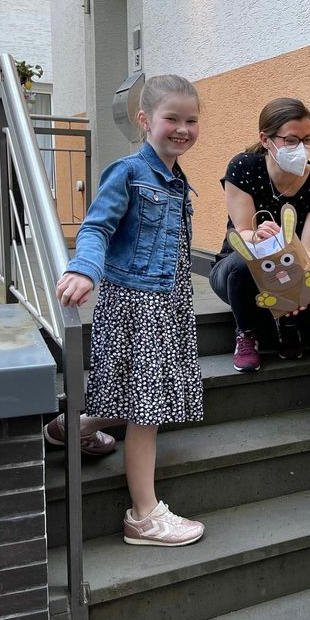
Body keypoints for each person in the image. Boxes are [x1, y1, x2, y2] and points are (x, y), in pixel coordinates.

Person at [49, 74, 206, 547]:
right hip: (138, 303)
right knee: (146, 407)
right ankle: (143, 513)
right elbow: (97, 226)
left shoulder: (176, 177)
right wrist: (84, 270)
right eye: (171, 119)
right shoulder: (129, 171)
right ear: (145, 120)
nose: (182, 129)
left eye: (191, 120)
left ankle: (71, 429)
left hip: (166, 301)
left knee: (131, 387)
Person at [209, 97, 310, 372]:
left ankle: (288, 323)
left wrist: (301, 289)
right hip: (238, 269)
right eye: (291, 140)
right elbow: (242, 232)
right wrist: (257, 236)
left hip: (291, 267)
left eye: (307, 139)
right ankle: (246, 334)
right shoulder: (243, 168)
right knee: (242, 267)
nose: (300, 148)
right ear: (266, 140)